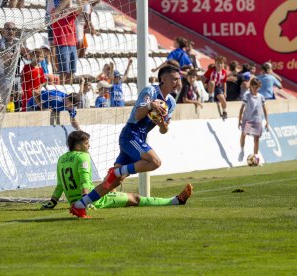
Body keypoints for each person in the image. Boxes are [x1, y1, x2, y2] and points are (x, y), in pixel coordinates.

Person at [70, 65, 183, 218]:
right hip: (131, 134)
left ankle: (79, 205)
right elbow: (137, 115)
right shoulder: (150, 91)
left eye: (179, 79)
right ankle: (117, 171)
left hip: (139, 137)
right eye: (174, 78)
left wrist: (162, 123)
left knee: (113, 182)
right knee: (154, 162)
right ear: (163, 79)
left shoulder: (171, 102)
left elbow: (164, 130)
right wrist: (150, 105)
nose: (178, 81)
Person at [41, 130, 193, 211]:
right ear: (79, 145)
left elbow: (60, 184)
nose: (89, 146)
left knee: (115, 180)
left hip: (73, 201)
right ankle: (175, 201)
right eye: (87, 143)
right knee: (136, 199)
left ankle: (175, 200)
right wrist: (87, 201)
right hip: (94, 200)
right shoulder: (83, 157)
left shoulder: (61, 158)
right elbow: (84, 180)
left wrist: (52, 201)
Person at [238, 78, 269, 162]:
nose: (255, 89)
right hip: (247, 119)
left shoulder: (261, 97)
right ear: (250, 86)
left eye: (257, 87)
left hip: (257, 120)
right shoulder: (246, 95)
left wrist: (267, 122)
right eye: (254, 87)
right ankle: (242, 151)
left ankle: (255, 157)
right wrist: (239, 120)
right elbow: (242, 108)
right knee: (243, 134)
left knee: (256, 139)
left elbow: (265, 109)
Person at [51, 2, 80, 84]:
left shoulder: (70, 12)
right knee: (63, 71)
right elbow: (55, 14)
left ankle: (68, 88)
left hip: (72, 44)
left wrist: (75, 6)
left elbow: (80, 10)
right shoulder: (54, 11)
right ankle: (62, 88)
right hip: (62, 44)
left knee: (71, 71)